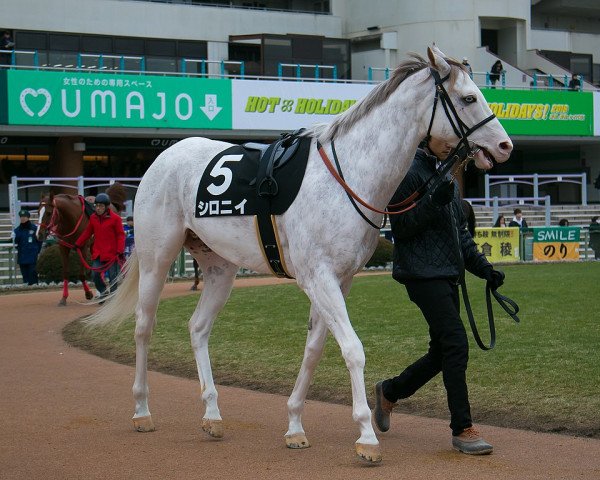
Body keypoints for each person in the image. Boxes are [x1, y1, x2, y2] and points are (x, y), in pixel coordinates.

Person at [373, 136, 505, 455]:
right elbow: (402, 228)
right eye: (444, 137)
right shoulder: (405, 171)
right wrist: (434, 201)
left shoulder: (446, 174)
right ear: (428, 136)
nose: (450, 144)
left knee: (442, 351)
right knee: (455, 343)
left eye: (454, 139)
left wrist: (484, 268)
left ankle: (390, 391)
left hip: (447, 273)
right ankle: (462, 429)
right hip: (420, 272)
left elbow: (459, 235)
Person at [75, 193, 125, 300]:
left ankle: (113, 298)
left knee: (113, 277)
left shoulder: (115, 219)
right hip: (98, 253)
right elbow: (87, 232)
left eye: (101, 206)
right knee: (95, 275)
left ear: (106, 207)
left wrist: (120, 250)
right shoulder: (93, 218)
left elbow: (121, 235)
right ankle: (103, 292)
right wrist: (78, 243)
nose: (98, 208)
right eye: (97, 206)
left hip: (112, 253)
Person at [12, 209, 42, 285]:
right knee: (25, 275)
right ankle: (26, 289)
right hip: (22, 255)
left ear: (28, 218)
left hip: (32, 255)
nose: (23, 218)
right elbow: (15, 243)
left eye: (25, 217)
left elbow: (39, 240)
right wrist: (12, 238)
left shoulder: (34, 228)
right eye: (21, 217)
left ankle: (34, 288)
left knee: (32, 273)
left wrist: (37, 251)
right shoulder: (17, 230)